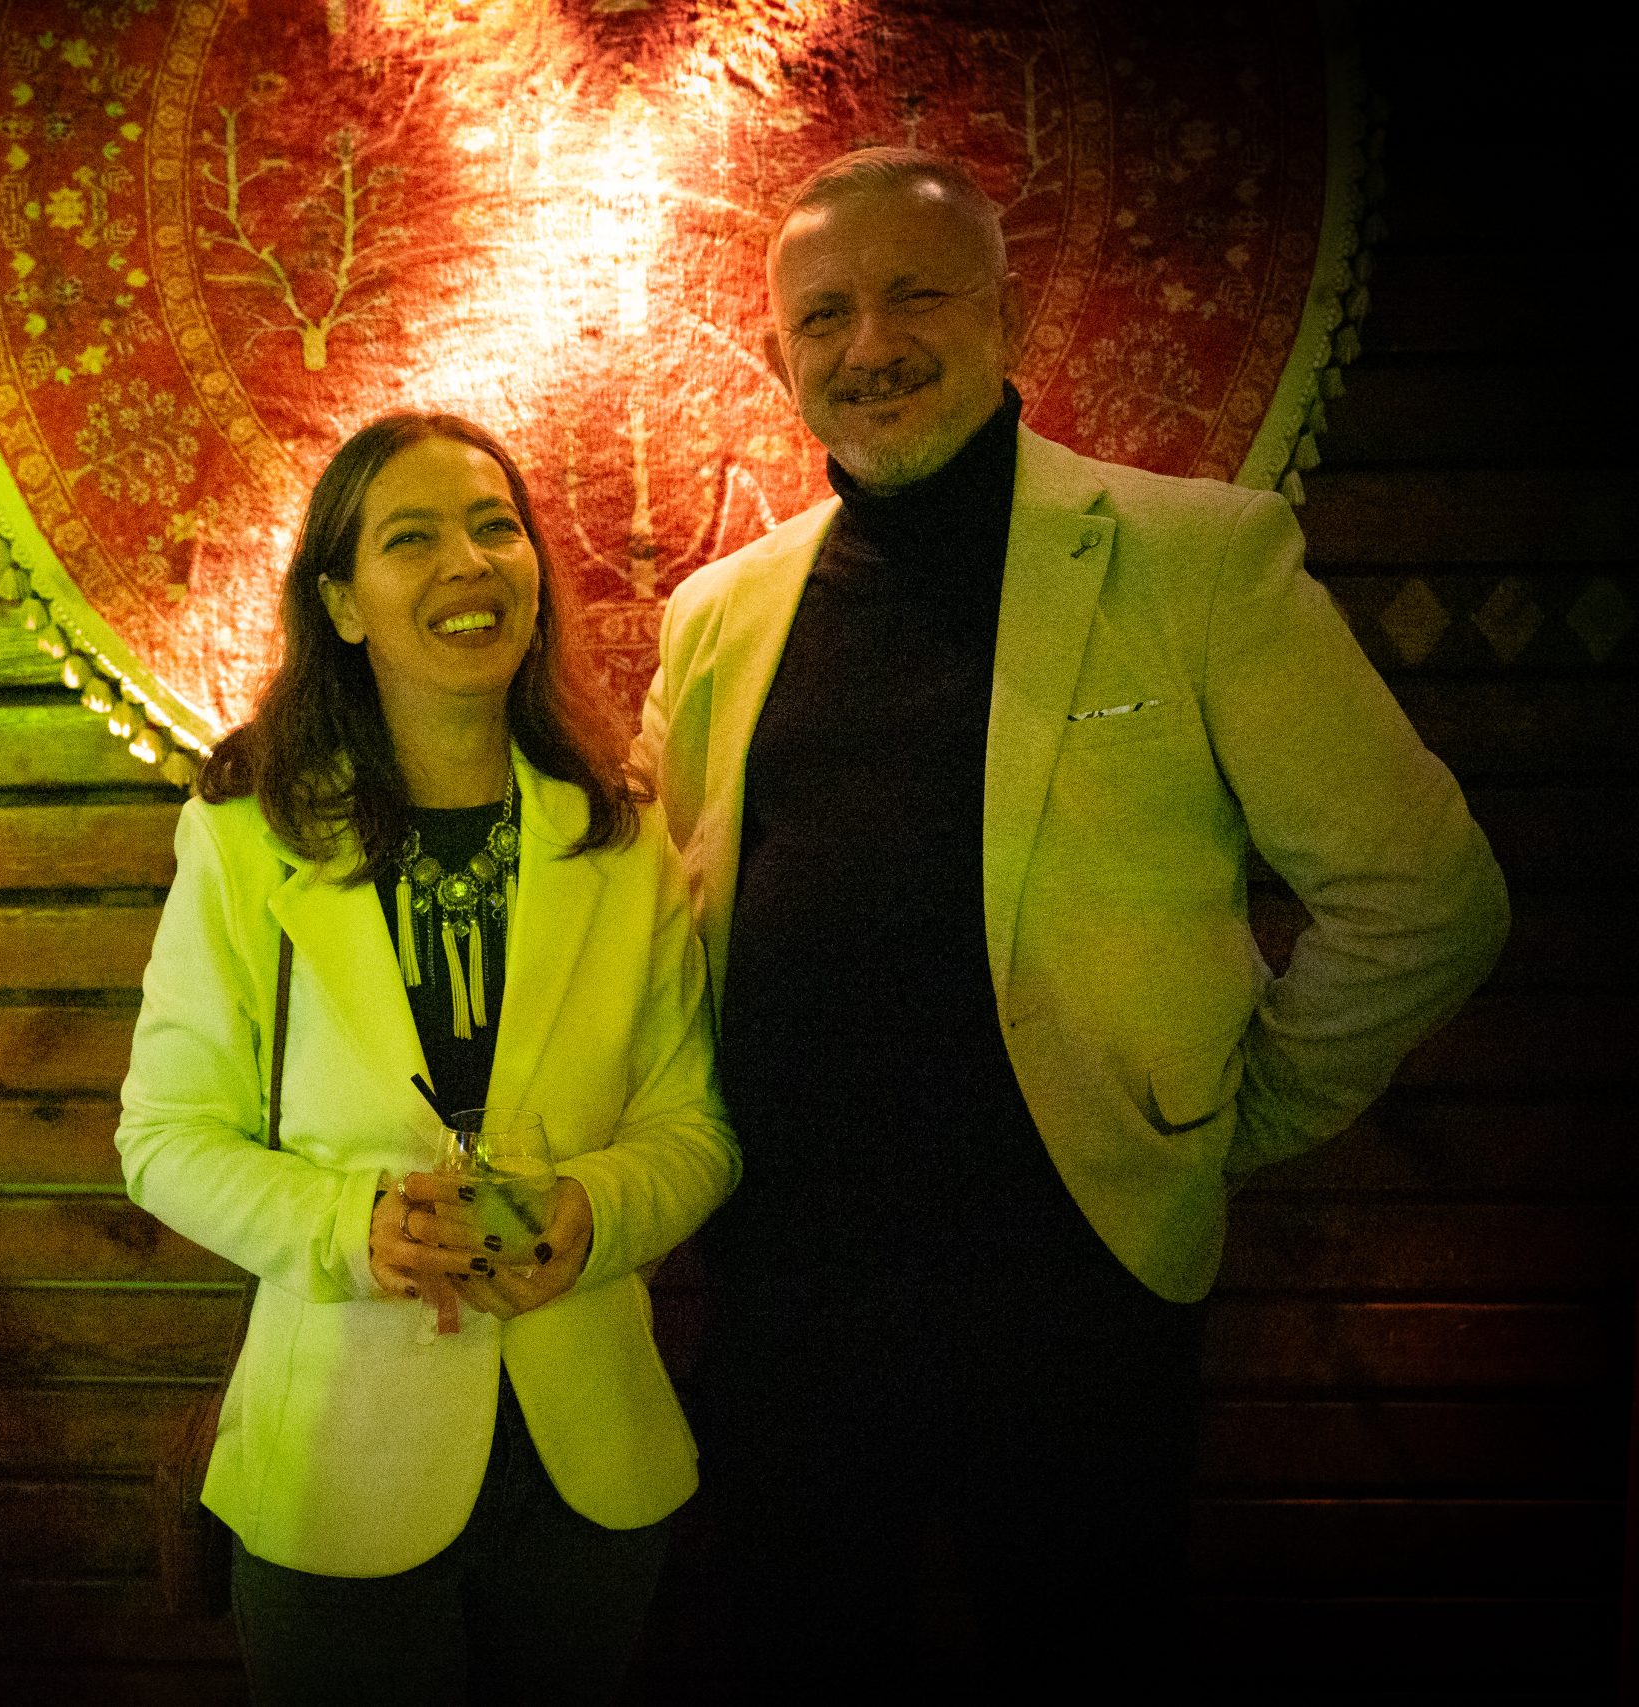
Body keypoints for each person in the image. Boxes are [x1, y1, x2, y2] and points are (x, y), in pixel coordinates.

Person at [634, 148, 1509, 1688]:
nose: (871, 343)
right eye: (825, 315)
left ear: (1008, 309)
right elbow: (664, 915)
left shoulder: (1198, 558)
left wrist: (1223, 1113)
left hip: (1074, 1302)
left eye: (916, 295)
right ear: (779, 353)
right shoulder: (718, 615)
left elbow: (1427, 898)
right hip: (785, 1304)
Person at [117, 411, 738, 1703]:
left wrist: (594, 1211)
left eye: (495, 527)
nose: (468, 562)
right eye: (411, 539)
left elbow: (699, 1131)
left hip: (590, 1471)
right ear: (341, 604)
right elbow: (162, 1139)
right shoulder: (245, 838)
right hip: (336, 1472)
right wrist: (356, 1228)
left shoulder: (619, 840)